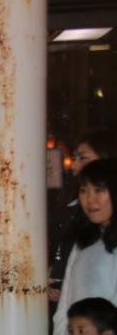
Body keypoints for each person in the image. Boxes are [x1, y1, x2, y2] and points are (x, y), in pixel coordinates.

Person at [48, 159, 117, 335]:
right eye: (84, 191)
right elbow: (65, 302)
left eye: (99, 190)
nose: (91, 199)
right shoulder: (83, 240)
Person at [50, 131, 115, 314]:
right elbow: (66, 305)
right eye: (84, 191)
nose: (74, 166)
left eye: (83, 158)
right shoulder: (83, 234)